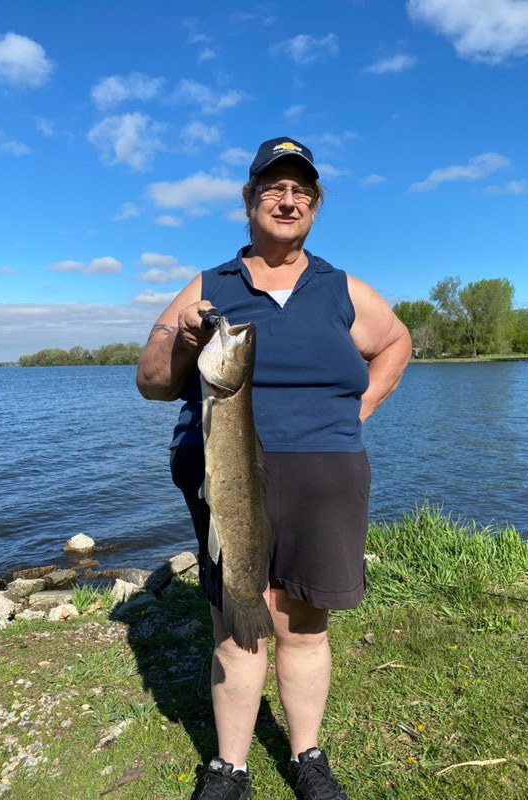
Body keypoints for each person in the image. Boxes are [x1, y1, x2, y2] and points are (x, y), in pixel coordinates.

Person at [137, 136, 411, 800]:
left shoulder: (339, 286)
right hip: (227, 472)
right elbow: (150, 380)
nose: (288, 200)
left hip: (325, 474)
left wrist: (359, 411)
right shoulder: (209, 287)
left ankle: (307, 757)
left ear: (314, 205)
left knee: (304, 621)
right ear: (249, 199)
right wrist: (186, 339)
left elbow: (397, 341)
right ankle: (229, 766)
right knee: (239, 621)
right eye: (274, 187)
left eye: (302, 191)